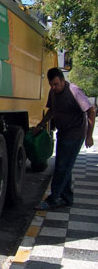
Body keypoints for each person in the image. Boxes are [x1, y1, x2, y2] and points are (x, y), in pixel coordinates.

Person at [34, 67, 95, 210]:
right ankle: (67, 198)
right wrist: (41, 125)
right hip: (62, 133)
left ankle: (53, 198)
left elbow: (91, 110)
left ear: (63, 80)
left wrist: (89, 136)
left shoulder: (74, 91)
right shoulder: (53, 92)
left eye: (56, 84)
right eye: (51, 84)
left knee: (61, 167)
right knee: (64, 166)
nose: (54, 87)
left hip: (75, 135)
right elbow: (52, 111)